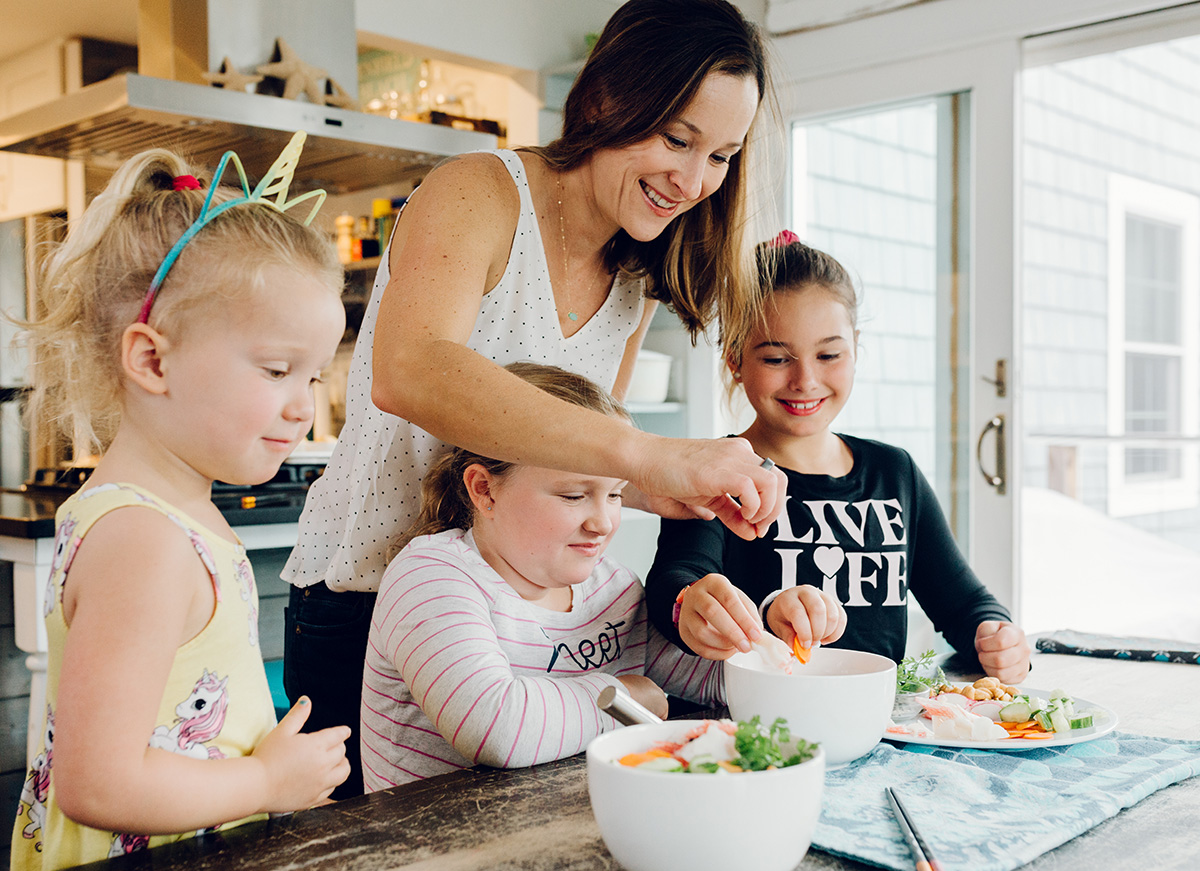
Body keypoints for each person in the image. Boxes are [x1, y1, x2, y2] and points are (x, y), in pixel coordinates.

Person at [284, 0, 788, 797]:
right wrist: (654, 454)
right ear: (603, 100)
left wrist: (689, 490)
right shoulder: (478, 193)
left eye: (722, 155)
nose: (693, 182)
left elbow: (579, 455)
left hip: (514, 612)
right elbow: (410, 371)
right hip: (370, 593)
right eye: (676, 137)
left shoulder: (633, 279)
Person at [9, 134, 351, 871]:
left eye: (315, 377)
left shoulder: (177, 512)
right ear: (152, 359)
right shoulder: (144, 540)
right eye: (275, 369)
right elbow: (97, 782)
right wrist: (266, 782)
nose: (303, 407)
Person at [645, 234, 1031, 684]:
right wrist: (689, 602)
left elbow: (964, 604)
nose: (805, 380)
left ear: (855, 346)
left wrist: (996, 636)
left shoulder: (895, 472)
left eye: (828, 354)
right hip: (759, 725)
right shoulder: (715, 473)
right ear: (734, 358)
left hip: (880, 725)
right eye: (775, 357)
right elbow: (677, 578)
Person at [361, 363, 723, 789]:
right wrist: (622, 698)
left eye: (615, 494)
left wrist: (766, 628)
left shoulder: (613, 588)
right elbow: (496, 727)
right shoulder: (431, 577)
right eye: (574, 495)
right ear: (484, 489)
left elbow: (713, 682)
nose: (603, 523)